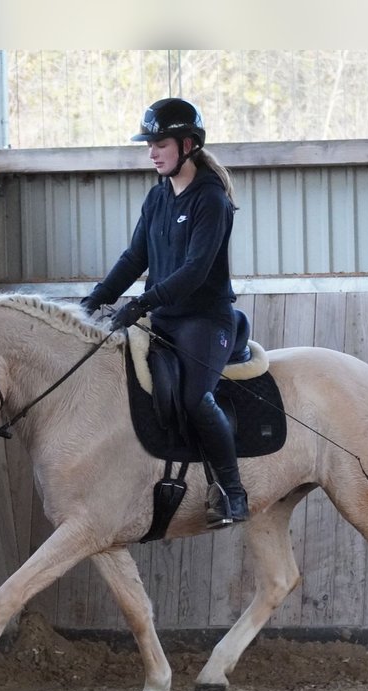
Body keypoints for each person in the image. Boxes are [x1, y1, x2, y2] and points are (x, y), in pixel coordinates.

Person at [82, 97, 248, 527]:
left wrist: (141, 303)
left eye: (160, 142)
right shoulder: (157, 198)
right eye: (149, 143)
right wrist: (96, 299)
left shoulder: (210, 200)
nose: (151, 151)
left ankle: (233, 492)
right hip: (164, 318)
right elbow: (135, 256)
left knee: (194, 398)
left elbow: (195, 271)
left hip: (205, 320)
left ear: (188, 144)